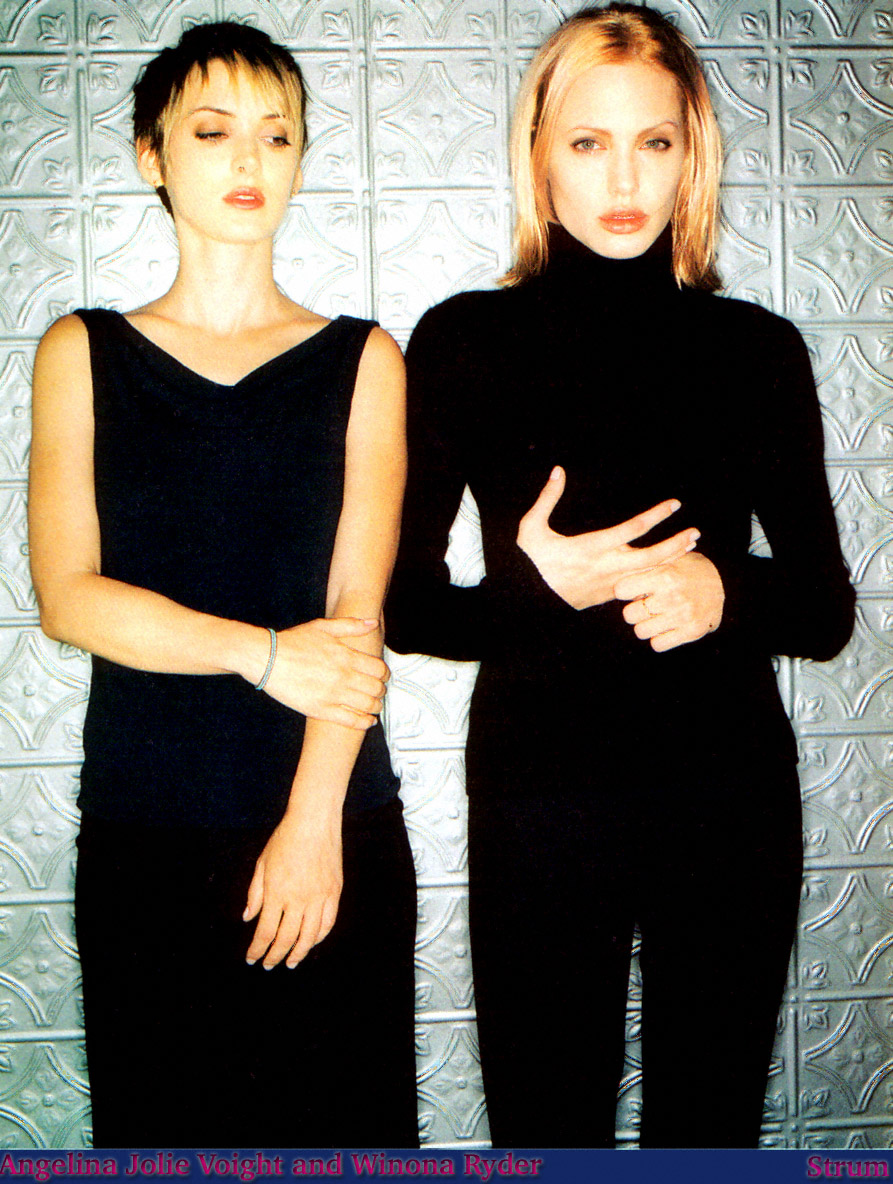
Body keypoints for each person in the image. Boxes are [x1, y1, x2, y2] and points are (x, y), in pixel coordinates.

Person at [386, 2, 855, 1149]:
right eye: (587, 142)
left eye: (653, 141)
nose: (622, 177)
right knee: (548, 1133)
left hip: (726, 794)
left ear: (689, 153)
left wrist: (724, 592)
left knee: (709, 1131)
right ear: (538, 156)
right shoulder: (460, 341)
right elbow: (401, 604)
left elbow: (823, 608)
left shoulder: (755, 349)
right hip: (539, 795)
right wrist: (537, 593)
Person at [28, 21, 418, 1148]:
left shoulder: (363, 359)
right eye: (211, 132)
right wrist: (262, 652)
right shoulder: (81, 351)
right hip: (146, 834)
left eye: (275, 134)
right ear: (151, 155)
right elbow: (69, 598)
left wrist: (311, 824)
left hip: (330, 823)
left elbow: (356, 617)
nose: (249, 159)